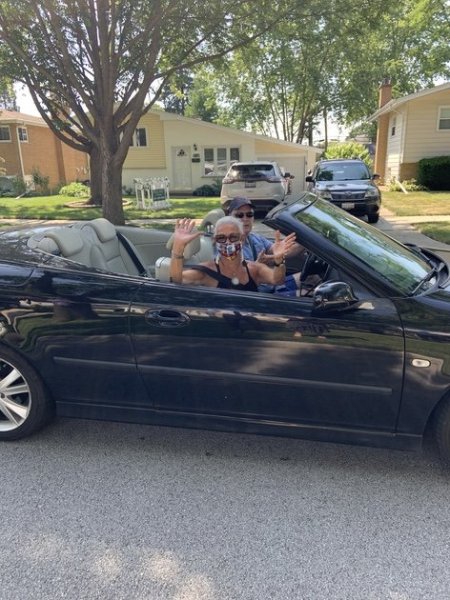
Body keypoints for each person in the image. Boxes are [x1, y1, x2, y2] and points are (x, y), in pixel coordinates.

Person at [169, 216, 297, 290]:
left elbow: (277, 280)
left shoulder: (254, 269)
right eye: (221, 238)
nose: (227, 242)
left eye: (233, 237)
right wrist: (178, 248)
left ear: (242, 239)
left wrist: (279, 260)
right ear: (215, 241)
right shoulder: (207, 272)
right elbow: (177, 280)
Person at [225, 196, 305, 294]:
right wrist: (257, 267)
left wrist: (307, 243)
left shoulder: (255, 238)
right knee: (311, 295)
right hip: (258, 298)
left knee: (311, 278)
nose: (245, 219)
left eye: (249, 214)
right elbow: (238, 287)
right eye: (239, 215)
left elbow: (284, 252)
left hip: (272, 286)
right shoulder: (227, 249)